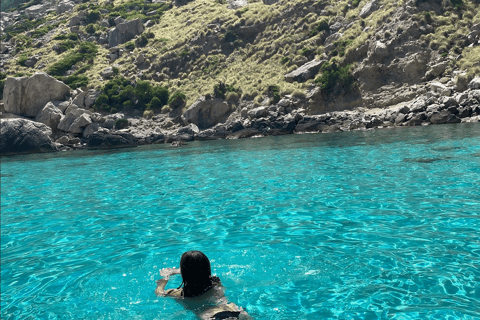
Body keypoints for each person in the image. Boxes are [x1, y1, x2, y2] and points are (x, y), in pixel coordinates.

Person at [155, 250, 251, 320]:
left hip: (212, 317)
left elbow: (159, 293)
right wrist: (180, 271)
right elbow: (201, 272)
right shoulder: (215, 283)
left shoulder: (177, 294)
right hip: (237, 312)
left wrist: (164, 280)